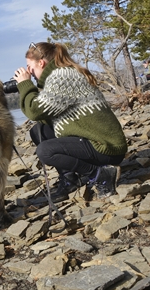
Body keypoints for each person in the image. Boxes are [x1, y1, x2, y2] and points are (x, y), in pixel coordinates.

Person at [13, 42, 127, 199]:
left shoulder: (62, 77)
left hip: (105, 147)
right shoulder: (59, 75)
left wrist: (25, 84)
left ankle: (100, 174)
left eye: (29, 66)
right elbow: (43, 116)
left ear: (41, 63)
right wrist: (25, 86)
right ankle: (70, 179)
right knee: (39, 131)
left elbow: (34, 111)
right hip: (94, 139)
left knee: (45, 151)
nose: (28, 72)